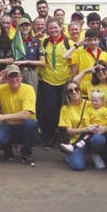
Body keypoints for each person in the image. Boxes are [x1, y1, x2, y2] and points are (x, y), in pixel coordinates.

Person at [0, 65, 38, 166]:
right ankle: (8, 148)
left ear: (21, 77)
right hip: (9, 126)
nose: (14, 79)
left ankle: (26, 152)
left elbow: (26, 114)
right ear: (6, 79)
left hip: (24, 126)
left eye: (16, 76)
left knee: (31, 124)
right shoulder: (1, 89)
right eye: (11, 77)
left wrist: (2, 117)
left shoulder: (29, 89)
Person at [37, 20, 73, 149]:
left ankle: (64, 138)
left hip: (64, 81)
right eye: (50, 28)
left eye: (55, 28)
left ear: (61, 28)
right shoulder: (44, 42)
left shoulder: (69, 43)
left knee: (63, 110)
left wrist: (72, 81)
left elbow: (73, 63)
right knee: (49, 110)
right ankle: (49, 138)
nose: (53, 30)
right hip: (48, 80)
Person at [59, 84, 107, 170]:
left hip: (93, 134)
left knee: (98, 139)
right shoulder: (65, 108)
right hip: (76, 139)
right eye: (70, 91)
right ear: (67, 94)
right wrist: (86, 129)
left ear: (80, 90)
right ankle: (74, 153)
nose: (74, 92)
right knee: (78, 166)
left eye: (76, 89)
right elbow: (69, 131)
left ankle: (94, 153)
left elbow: (106, 116)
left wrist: (105, 128)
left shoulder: (91, 103)